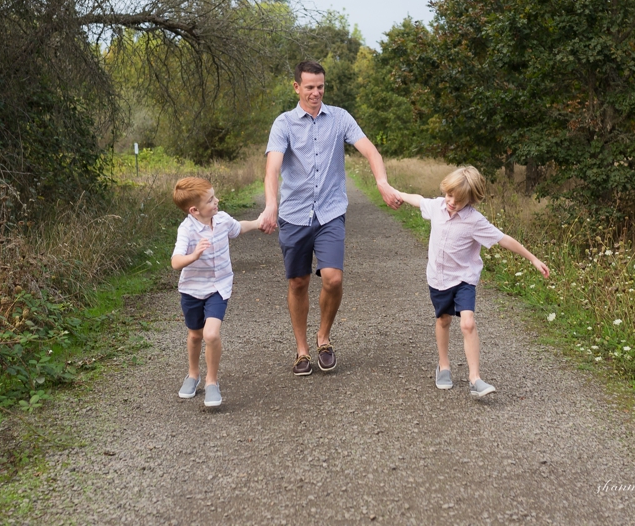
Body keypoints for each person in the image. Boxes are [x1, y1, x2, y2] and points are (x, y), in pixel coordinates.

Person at [260, 60, 402, 376]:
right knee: (298, 281)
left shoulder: (339, 118)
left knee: (333, 278)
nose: (316, 92)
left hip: (330, 213)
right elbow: (272, 168)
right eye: (309, 87)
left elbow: (370, 151)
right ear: (296, 87)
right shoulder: (283, 123)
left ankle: (323, 338)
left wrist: (381, 182)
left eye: (320, 86)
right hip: (294, 215)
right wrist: (271, 205)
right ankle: (302, 351)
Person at [390, 166, 549, 397]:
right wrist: (398, 194)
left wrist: (533, 258)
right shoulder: (437, 207)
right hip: (438, 277)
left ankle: (475, 378)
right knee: (443, 320)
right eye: (449, 195)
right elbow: (419, 200)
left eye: (459, 199)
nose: (451, 202)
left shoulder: (475, 221)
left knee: (467, 323)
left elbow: (503, 239)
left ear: (471, 199)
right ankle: (443, 366)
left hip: (464, 278)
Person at [170, 177, 263, 408]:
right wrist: (194, 256)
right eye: (211, 200)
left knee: (210, 334)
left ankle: (212, 381)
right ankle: (193, 375)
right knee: (195, 335)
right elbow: (175, 261)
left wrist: (258, 222)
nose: (216, 201)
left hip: (218, 288)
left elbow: (238, 228)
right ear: (194, 210)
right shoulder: (187, 229)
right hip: (192, 290)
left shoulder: (221, 220)